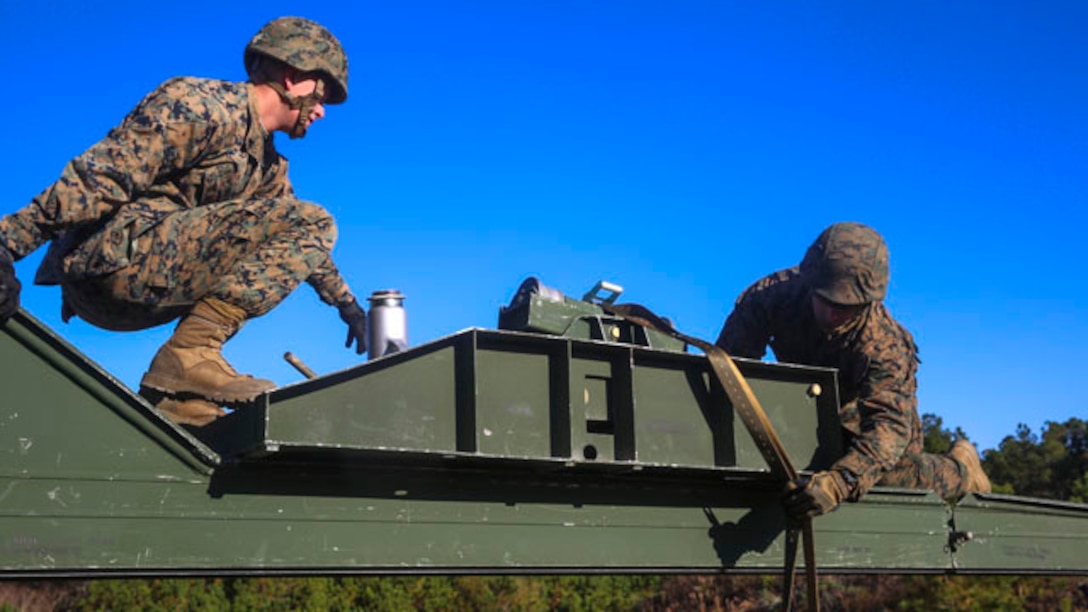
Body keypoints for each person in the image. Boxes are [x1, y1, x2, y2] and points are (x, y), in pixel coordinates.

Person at [0, 17, 369, 424]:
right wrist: (7, 243)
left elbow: (297, 241)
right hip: (113, 262)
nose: (320, 110)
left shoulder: (266, 167)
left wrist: (347, 305)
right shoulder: (201, 105)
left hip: (138, 290)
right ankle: (190, 356)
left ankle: (176, 397)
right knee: (314, 220)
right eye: (322, 93)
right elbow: (103, 175)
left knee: (301, 225)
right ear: (293, 73)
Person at [716, 221, 991, 519]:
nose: (832, 314)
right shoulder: (769, 297)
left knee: (890, 479)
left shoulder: (884, 344)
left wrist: (840, 482)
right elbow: (729, 370)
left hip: (864, 422)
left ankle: (963, 470)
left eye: (846, 306)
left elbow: (888, 430)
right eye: (825, 300)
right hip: (803, 407)